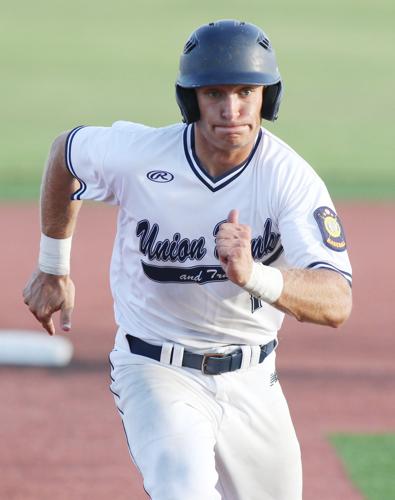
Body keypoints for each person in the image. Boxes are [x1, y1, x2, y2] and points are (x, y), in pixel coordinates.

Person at [23, 19, 352, 500]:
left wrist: (254, 275)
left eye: (246, 91)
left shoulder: (289, 179)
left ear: (268, 96)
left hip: (254, 379)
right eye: (214, 93)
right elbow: (65, 155)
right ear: (190, 99)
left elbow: (337, 301)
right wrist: (53, 265)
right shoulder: (140, 155)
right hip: (157, 368)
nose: (231, 109)